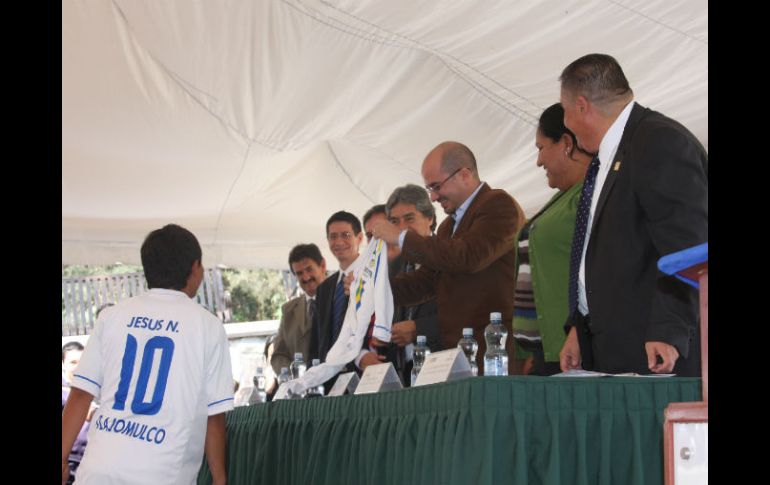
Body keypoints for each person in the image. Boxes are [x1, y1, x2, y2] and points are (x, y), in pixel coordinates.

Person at [557, 53, 707, 376]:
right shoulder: (608, 157)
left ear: (581, 106)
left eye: (565, 112)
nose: (565, 124)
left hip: (657, 353)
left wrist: (669, 328)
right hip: (613, 348)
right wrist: (580, 328)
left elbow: (689, 243)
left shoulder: (659, 141)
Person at [61, 224, 234, 485]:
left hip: (98, 470)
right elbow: (214, 415)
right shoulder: (207, 326)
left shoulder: (112, 317)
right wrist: (220, 479)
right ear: (195, 267)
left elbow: (81, 394)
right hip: (161, 473)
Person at [370, 142, 525, 373]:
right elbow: (424, 282)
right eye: (429, 188)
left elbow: (468, 257)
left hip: (493, 353)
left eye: (436, 186)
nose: (433, 197)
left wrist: (401, 237)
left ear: (464, 175)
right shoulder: (448, 227)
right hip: (459, 355)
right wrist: (372, 288)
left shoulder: (499, 205)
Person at [511, 103, 592, 376]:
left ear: (566, 144)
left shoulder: (591, 194)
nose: (538, 161)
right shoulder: (562, 197)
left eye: (541, 148)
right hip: (546, 349)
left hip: (572, 347)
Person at [309, 211, 365, 366]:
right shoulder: (324, 288)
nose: (339, 242)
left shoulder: (371, 277)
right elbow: (317, 341)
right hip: (329, 373)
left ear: (359, 238)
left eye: (346, 235)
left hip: (363, 368)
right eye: (333, 236)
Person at [270, 243, 327, 375]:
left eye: (309, 269)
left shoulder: (341, 298)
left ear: (323, 265)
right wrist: (296, 376)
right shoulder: (288, 310)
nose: (306, 277)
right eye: (299, 273)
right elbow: (278, 356)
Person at [62, 341, 90, 484]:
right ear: (63, 364)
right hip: (68, 462)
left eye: (82, 362)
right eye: (73, 362)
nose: (78, 367)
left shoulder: (95, 389)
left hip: (90, 462)